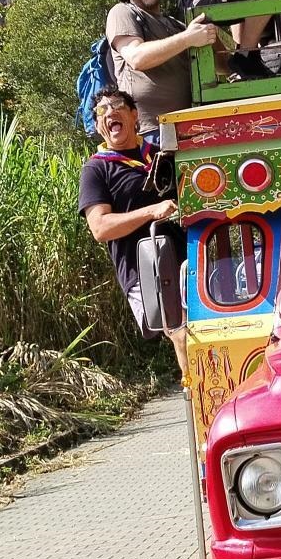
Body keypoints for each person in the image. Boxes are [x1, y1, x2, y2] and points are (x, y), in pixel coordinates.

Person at [78, 89, 186, 373]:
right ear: (98, 125)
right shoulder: (96, 170)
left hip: (189, 254)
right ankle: (199, 406)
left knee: (213, 324)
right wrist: (152, 211)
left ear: (134, 115)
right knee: (182, 332)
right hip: (146, 268)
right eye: (102, 111)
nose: (109, 112)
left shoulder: (161, 155)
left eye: (116, 106)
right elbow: (100, 228)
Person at [106, 0, 215, 139]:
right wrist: (188, 38)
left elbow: (220, 67)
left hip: (189, 129)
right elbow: (137, 57)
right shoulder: (122, 12)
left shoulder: (177, 25)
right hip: (148, 134)